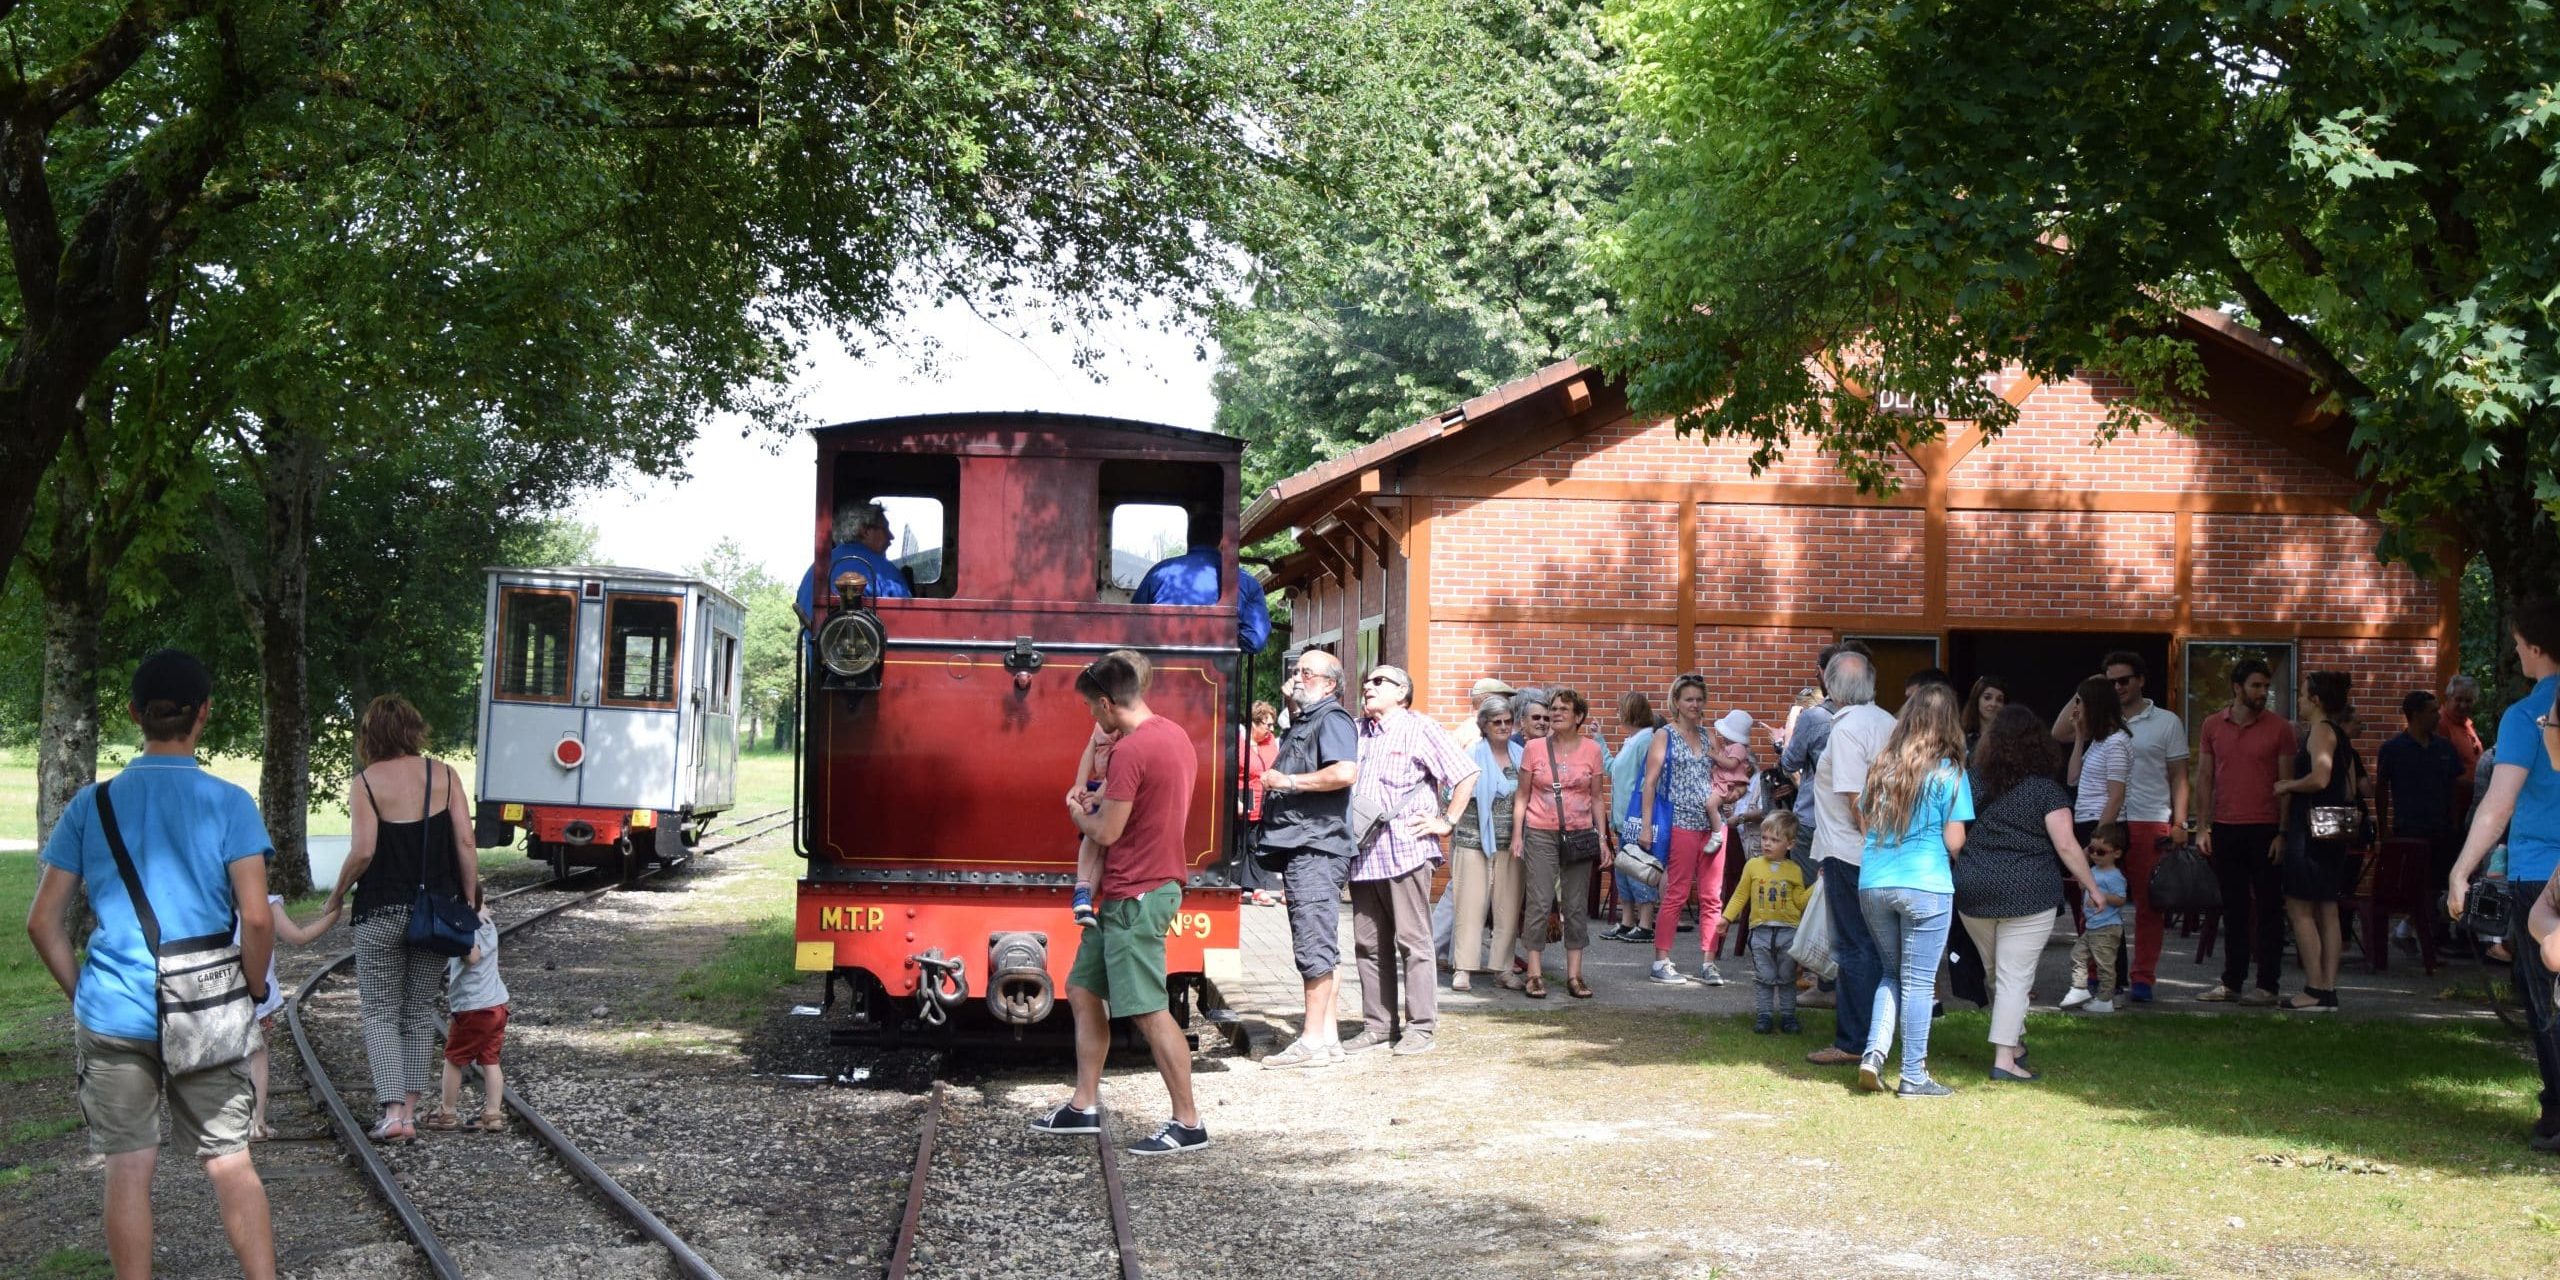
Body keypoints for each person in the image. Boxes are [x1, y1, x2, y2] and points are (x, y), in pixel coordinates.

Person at [24, 650, 280, 1280]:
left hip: (115, 1009)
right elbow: (257, 918)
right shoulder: (230, 802)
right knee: (229, 1160)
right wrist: (251, 989)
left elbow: (41, 922)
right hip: (207, 1009)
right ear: (204, 715)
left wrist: (83, 992)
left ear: (135, 714)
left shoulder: (92, 805)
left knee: (128, 1166)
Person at [1035, 654, 1207, 1154]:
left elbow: (1107, 831)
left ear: (1109, 704)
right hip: (1131, 890)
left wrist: (1077, 814)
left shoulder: (1132, 751)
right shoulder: (1173, 735)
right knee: (1084, 989)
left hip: (1138, 893)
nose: (1093, 718)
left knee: (1149, 1010)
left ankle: (1189, 1122)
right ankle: (1084, 1105)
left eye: (1093, 708)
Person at [322, 695, 480, 1143]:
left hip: (381, 911)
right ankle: (409, 1115)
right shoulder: (445, 775)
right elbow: (466, 844)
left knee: (379, 1012)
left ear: (371, 736)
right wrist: (466, 904)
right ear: (414, 729)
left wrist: (337, 894)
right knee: (417, 1011)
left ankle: (391, 1114)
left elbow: (365, 850)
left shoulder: (366, 782)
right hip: (435, 915)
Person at [2449, 598, 2560, 1150]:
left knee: (2544, 996)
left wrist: (2462, 871)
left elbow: (2499, 803)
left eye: (2518, 643)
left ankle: (2557, 1111)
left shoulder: (2527, 716)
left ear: (2537, 647)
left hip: (2541, 872)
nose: (2516, 650)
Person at [1962, 705, 2106, 1078]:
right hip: (2029, 891)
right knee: (2014, 977)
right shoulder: (2046, 791)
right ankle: (2004, 1061)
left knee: (1997, 974)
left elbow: (1954, 836)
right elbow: (2067, 846)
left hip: (1974, 889)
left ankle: (2015, 1040)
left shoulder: (1971, 781)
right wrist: (2093, 887)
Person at [1853, 681, 1974, 1097]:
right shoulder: (1950, 772)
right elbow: (1955, 841)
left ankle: (1873, 1055)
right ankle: (1914, 1075)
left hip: (1874, 881)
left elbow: (1865, 824)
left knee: (1891, 973)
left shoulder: (1882, 767)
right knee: (1919, 982)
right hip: (1926, 884)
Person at [1347, 665, 1477, 1051]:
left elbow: (1466, 773)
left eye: (1379, 681)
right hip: (1363, 853)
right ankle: (1377, 1026)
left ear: (1402, 692)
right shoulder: (1356, 730)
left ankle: (1420, 1027)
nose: (1368, 686)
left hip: (1405, 849)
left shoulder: (1420, 727)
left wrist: (1446, 821)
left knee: (1413, 940)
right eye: (1366, 681)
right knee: (1367, 943)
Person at [2053, 651, 2189, 1003]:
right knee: (2096, 897)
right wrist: (2087, 688)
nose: (2118, 687)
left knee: (2147, 903)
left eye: (2124, 680)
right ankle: (2101, 974)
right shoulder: (2099, 729)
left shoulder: (2166, 722)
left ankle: (2142, 977)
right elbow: (2060, 731)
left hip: (2148, 817)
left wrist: (2180, 822)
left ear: (2141, 680)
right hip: (2109, 819)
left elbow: (2179, 776)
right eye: (2110, 682)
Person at [1255, 650, 1362, 1070]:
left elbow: (1344, 772)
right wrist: (1291, 702)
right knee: (1322, 943)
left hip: (1316, 847)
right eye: (1295, 671)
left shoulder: (1333, 719)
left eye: (1306, 673)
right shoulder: (1308, 718)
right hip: (1309, 844)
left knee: (1313, 943)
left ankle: (1312, 1040)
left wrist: (1289, 781)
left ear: (1330, 684)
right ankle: (1329, 1038)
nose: (1297, 677)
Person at [1802, 647, 1895, 1067]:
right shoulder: (1889, 722)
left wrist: (1871, 850)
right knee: (1880, 950)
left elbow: (1857, 799)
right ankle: (1878, 1036)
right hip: (1885, 852)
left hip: (1854, 853)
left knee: (1856, 949)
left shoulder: (1846, 729)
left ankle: (1855, 1041)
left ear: (1832, 687)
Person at [2192, 658, 2297, 1005]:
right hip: (2225, 825)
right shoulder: (2212, 725)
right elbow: (2204, 777)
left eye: (2266, 686)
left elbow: (2285, 783)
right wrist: (2202, 826)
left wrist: (2282, 832)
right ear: (2237, 688)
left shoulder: (2280, 728)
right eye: (2256, 685)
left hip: (2265, 826)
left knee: (2268, 908)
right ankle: (2232, 982)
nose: (2262, 692)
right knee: (2233, 908)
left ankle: (2268, 985)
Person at [1512, 687, 1609, 1000]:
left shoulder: (1592, 750)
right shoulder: (1534, 748)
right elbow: (1522, 795)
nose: (1555, 713)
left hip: (1580, 834)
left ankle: (1575, 975)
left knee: (1576, 905)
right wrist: (1517, 835)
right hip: (1540, 830)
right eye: (1553, 708)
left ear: (1578, 716)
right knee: (1539, 902)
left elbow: (1596, 798)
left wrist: (1603, 838)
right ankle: (1535, 974)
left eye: (1563, 709)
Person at [1641, 675, 1737, 986]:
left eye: (1699, 699)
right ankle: (1661, 961)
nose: (1695, 704)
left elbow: (1725, 771)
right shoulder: (1664, 736)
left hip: (1712, 825)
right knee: (1677, 893)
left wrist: (1729, 794)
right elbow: (1650, 783)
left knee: (1712, 896)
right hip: (1680, 822)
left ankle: (1709, 963)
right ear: (1677, 703)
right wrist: (1646, 825)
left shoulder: (1707, 736)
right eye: (1689, 699)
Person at [2274, 670, 2360, 1013]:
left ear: (2316, 700)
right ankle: (2328, 988)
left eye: (2303, 694)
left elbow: (2320, 777)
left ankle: (2314, 986)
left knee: (2299, 908)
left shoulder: (2320, 732)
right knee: (2327, 909)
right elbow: (2351, 788)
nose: (2298, 700)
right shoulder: (2341, 734)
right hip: (2333, 832)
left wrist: (2288, 785)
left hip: (2309, 831)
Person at [245, 895, 342, 1141]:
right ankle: (256, 1122)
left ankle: (226, 1123)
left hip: (218, 990)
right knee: (258, 1055)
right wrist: (333, 916)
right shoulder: (266, 901)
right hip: (258, 992)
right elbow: (299, 937)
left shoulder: (211, 895)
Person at [1070, 649, 1155, 926]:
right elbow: (1089, 749)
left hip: (1112, 788)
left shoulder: (1127, 732)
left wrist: (1100, 794)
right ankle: (1082, 891)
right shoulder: (1103, 724)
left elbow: (1121, 768)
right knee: (1091, 839)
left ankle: (1088, 892)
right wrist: (1081, 784)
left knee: (1099, 835)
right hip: (1099, 785)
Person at [1448, 697, 1523, 992]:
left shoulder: (1521, 755)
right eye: (1497, 722)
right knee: (1469, 905)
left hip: (1512, 842)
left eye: (1507, 721)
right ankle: (1463, 969)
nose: (1504, 727)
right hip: (1471, 839)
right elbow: (1448, 793)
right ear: (1484, 725)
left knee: (1507, 906)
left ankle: (1503, 968)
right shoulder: (1469, 755)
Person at [1128, 502, 1272, 652]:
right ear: (1223, 541)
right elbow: (1255, 640)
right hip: (1216, 673)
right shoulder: (1246, 581)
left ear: (1190, 539)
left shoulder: (1159, 571)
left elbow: (1131, 624)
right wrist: (1223, 636)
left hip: (1155, 668)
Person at [424, 885, 509, 1133]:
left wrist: (452, 936)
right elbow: (478, 905)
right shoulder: (485, 921)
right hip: (497, 1004)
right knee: (490, 1060)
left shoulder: (465, 928)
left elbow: (472, 957)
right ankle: (493, 1115)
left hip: (473, 1007)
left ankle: (447, 1112)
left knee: (453, 1060)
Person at [2378, 689, 2466, 892]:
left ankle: (2438, 924)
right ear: (2416, 715)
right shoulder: (2392, 749)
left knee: (2440, 888)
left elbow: (2453, 787)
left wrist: (2454, 824)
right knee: (2413, 887)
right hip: (2410, 829)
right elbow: (2382, 789)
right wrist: (2383, 829)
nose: (2438, 716)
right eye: (2433, 711)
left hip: (2441, 830)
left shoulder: (2445, 748)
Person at [1731, 812, 1809, 1033]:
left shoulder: (1794, 870)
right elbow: (1740, 895)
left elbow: (1799, 901)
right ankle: (1764, 1016)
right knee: (1764, 977)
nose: (1767, 843)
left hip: (1788, 932)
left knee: (1787, 978)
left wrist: (1819, 885)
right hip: (1761, 932)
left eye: (1774, 840)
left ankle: (1788, 1017)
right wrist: (1726, 919)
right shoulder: (1753, 866)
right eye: (1765, 838)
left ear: (1790, 844)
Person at [794, 499, 915, 627]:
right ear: (865, 530)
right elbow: (908, 619)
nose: (891, 536)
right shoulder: (884, 571)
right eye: (885, 529)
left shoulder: (813, 572)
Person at [1605, 692, 1664, 943]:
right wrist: (1599, 740)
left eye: (1621, 709)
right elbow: (1613, 771)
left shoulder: (1645, 740)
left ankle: (1645, 923)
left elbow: (1648, 780)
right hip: (1622, 818)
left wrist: (1643, 818)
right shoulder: (1631, 741)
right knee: (1624, 870)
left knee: (1639, 870)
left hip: (1636, 818)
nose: (1618, 714)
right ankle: (1627, 920)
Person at [2061, 826, 2131, 1015]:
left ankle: (2105, 999)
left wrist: (2102, 895)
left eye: (2101, 851)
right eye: (2091, 850)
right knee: (2078, 955)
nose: (2095, 855)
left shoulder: (2115, 876)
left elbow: (2121, 899)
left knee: (2104, 966)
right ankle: (2079, 988)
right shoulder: (2093, 869)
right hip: (2093, 926)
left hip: (2107, 928)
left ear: (2116, 853)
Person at [2063, 673, 2132, 838]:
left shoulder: (2116, 742)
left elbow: (2116, 797)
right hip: (2087, 822)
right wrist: (2079, 735)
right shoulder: (2100, 740)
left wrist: (2097, 842)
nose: (2076, 707)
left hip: (2103, 828)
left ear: (2093, 705)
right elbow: (2072, 780)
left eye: (2079, 701)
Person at [1240, 701, 1284, 905]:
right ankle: (1251, 886)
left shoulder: (1270, 742)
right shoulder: (1240, 742)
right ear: (1255, 724)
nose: (1271, 729)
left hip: (1266, 800)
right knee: (1246, 842)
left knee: (1258, 842)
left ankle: (1257, 886)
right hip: (1244, 797)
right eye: (1267, 724)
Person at [2444, 673, 2486, 818]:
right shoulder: (2441, 725)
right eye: (2459, 699)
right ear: (2448, 698)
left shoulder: (2467, 724)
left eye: (2468, 700)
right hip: (2453, 809)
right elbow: (2442, 774)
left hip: (2471, 805)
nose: (2463, 705)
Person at [1450, 677, 1519, 750]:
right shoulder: (1477, 733)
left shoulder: (1467, 728)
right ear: (1486, 701)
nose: (1508, 704)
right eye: (1503, 700)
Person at [1961, 676, 2012, 753]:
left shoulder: (2010, 739)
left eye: (1999, 700)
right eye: (1987, 698)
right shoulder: (1962, 738)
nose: (1993, 704)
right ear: (1976, 700)